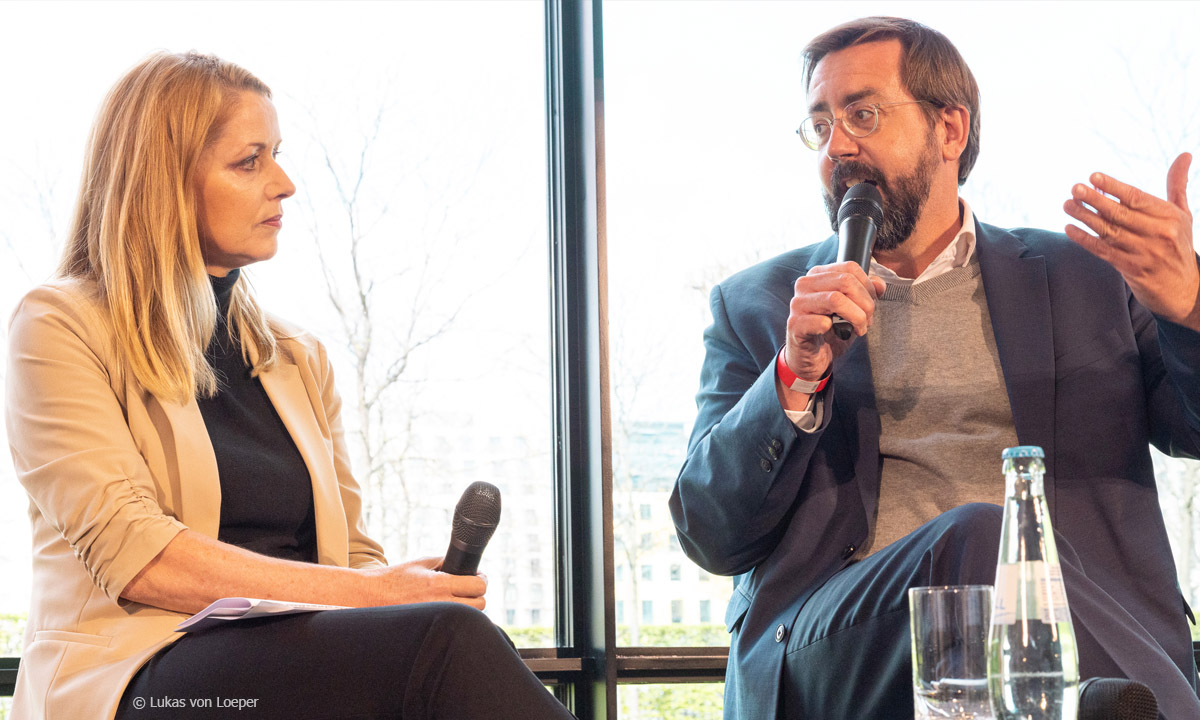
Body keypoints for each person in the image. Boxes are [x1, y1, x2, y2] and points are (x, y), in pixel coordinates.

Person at [5, 51, 576, 720]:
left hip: (286, 661)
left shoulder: (297, 357)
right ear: (166, 182)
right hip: (140, 673)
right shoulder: (59, 325)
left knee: (449, 639)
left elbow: (356, 558)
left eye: (277, 154)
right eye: (250, 161)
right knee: (443, 645)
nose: (284, 183)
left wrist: (403, 589)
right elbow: (141, 560)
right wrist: (379, 600)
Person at [669, 16, 1200, 720]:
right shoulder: (762, 306)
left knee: (1005, 567)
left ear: (950, 129)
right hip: (840, 643)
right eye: (820, 125)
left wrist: (1191, 310)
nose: (838, 146)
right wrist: (791, 378)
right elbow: (711, 532)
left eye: (862, 114)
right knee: (982, 535)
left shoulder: (1089, 280)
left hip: (1070, 640)